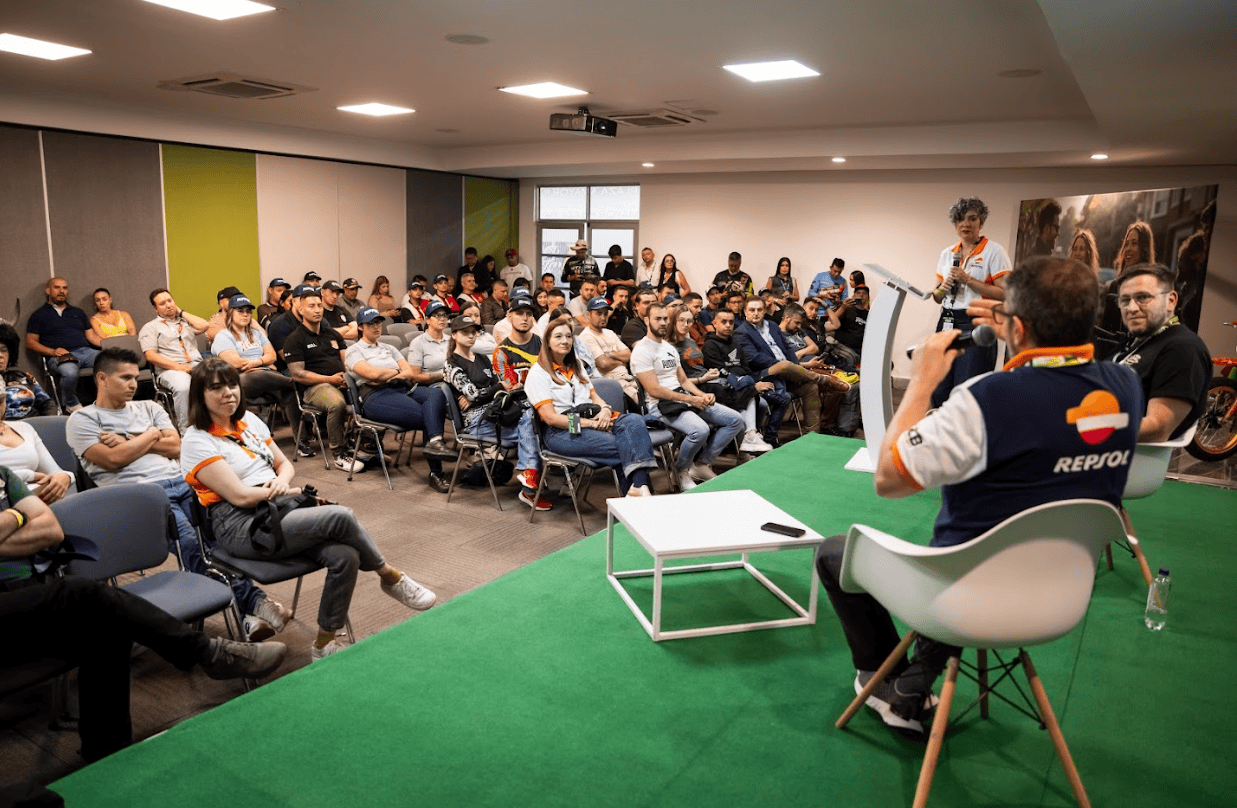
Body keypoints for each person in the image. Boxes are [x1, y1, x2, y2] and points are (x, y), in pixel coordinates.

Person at [815, 255, 1143, 738]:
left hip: (961, 600)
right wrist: (1021, 339)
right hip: (1060, 596)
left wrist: (923, 381)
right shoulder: (1127, 385)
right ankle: (914, 679)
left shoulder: (986, 398)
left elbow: (888, 479)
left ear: (1018, 325)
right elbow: (1049, 404)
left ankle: (884, 683)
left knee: (835, 552)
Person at [0, 470, 286, 763]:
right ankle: (205, 652)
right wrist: (19, 515)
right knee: (82, 593)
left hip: (30, 596)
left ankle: (106, 757)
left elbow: (51, 531)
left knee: (108, 622)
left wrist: (10, 525)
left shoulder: (4, 474)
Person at [181, 359, 435, 660]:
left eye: (232, 385)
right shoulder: (196, 439)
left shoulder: (248, 420)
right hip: (239, 525)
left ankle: (324, 643)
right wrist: (282, 491)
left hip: (275, 507)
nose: (228, 393)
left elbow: (284, 464)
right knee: (340, 516)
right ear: (200, 395)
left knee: (345, 555)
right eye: (216, 388)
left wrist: (282, 482)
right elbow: (239, 496)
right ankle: (389, 576)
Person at [68, 347, 291, 640]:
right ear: (101, 378)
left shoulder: (150, 407)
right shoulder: (83, 419)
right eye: (125, 378)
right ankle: (255, 603)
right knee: (191, 545)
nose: (134, 384)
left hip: (184, 482)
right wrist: (152, 435)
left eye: (135, 377)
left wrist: (130, 440)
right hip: (141, 496)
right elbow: (113, 460)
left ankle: (247, 618)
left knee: (221, 539)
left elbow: (177, 447)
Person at [527, 317, 658, 497]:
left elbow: (594, 396)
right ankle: (642, 494)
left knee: (634, 420)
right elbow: (550, 418)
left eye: (568, 336)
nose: (565, 341)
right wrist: (591, 424)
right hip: (561, 431)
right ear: (547, 342)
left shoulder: (577, 365)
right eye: (558, 336)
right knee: (625, 444)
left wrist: (605, 410)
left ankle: (638, 489)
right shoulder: (538, 372)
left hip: (590, 418)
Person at [631, 302, 744, 491]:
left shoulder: (668, 347)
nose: (663, 323)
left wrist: (702, 395)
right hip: (660, 405)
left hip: (682, 399)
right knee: (700, 430)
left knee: (735, 420)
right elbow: (654, 390)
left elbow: (683, 380)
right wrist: (692, 399)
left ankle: (701, 464)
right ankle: (680, 470)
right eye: (658, 319)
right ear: (646, 320)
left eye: (665, 318)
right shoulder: (641, 351)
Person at [444, 315, 548, 511]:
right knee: (533, 427)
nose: (471, 335)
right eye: (465, 332)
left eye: (473, 331)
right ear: (454, 335)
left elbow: (491, 391)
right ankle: (532, 483)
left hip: (496, 412)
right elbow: (477, 393)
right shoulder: (451, 364)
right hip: (476, 422)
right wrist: (494, 388)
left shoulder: (482, 358)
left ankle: (531, 480)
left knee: (532, 419)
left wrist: (487, 392)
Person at [345, 307, 453, 492]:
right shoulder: (353, 351)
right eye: (371, 324)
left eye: (378, 322)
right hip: (375, 396)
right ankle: (436, 473)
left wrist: (387, 375)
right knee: (429, 416)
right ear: (361, 327)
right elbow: (371, 374)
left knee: (437, 394)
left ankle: (435, 441)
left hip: (402, 389)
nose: (377, 327)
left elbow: (409, 371)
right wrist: (395, 372)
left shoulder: (389, 348)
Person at [1105, 264, 1211, 441]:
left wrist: (1083, 429)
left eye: (1143, 297)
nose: (1131, 308)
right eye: (1125, 300)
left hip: (1124, 453)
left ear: (1171, 301)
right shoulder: (1136, 341)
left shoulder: (1183, 348)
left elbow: (1158, 428)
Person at [929, 197, 1011, 407]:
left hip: (976, 321)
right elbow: (937, 296)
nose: (965, 224)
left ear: (981, 222)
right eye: (960, 219)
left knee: (966, 388)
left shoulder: (994, 251)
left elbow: (1005, 293)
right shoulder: (947, 254)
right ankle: (938, 425)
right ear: (955, 224)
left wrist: (968, 280)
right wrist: (943, 287)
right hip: (947, 322)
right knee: (939, 386)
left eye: (972, 219)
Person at [735, 296, 856, 435]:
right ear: (745, 311)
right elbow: (754, 358)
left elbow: (787, 349)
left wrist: (795, 366)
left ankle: (812, 434)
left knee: (810, 387)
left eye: (759, 310)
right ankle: (823, 379)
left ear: (764, 310)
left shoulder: (772, 326)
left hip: (788, 372)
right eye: (752, 310)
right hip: (765, 373)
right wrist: (784, 364)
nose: (756, 313)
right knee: (785, 365)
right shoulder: (741, 332)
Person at [281, 288, 363, 473]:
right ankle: (339, 455)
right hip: (314, 388)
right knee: (336, 404)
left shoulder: (333, 335)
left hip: (339, 382)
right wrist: (330, 380)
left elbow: (346, 363)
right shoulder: (294, 339)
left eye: (319, 305)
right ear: (300, 310)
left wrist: (347, 379)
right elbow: (298, 374)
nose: (317, 310)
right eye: (311, 306)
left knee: (370, 397)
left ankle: (366, 447)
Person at [672, 308, 771, 453]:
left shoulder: (691, 341)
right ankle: (749, 435)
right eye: (681, 320)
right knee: (747, 391)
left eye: (689, 321)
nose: (686, 324)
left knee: (750, 390)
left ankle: (748, 438)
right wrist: (702, 379)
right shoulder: (670, 347)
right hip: (699, 385)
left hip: (710, 380)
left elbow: (743, 366)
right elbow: (677, 380)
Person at [703, 308, 789, 448]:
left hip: (742, 385)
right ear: (714, 323)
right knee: (751, 396)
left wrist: (754, 381)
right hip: (724, 387)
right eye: (723, 322)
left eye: (731, 322)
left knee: (763, 404)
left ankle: (751, 438)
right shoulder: (710, 345)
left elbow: (746, 368)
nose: (728, 325)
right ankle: (748, 436)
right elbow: (720, 371)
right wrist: (751, 385)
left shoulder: (735, 342)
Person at [210, 293, 298, 428]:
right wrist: (263, 361)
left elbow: (272, 355)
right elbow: (235, 362)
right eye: (240, 311)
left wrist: (257, 362)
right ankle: (297, 382)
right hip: (239, 379)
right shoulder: (223, 336)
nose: (245, 315)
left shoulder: (257, 334)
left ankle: (302, 438)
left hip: (265, 376)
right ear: (231, 313)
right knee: (258, 375)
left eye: (248, 312)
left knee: (289, 393)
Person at [25, 277, 101, 412]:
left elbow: (92, 337)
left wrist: (111, 347)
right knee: (69, 371)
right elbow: (30, 342)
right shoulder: (39, 315)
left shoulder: (78, 312)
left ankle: (107, 400)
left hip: (86, 352)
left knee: (111, 361)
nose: (62, 291)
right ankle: (71, 404)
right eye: (57, 287)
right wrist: (52, 352)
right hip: (60, 356)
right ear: (48, 291)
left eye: (65, 288)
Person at [138, 288, 208, 431]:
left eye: (170, 301)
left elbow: (205, 325)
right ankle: (186, 432)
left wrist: (181, 312)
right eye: (162, 303)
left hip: (197, 365)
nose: (168, 305)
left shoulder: (186, 323)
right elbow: (150, 355)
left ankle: (214, 425)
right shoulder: (150, 327)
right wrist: (179, 367)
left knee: (221, 378)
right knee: (184, 387)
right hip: (170, 370)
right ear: (155, 308)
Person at [0, 403, 75, 503]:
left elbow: (55, 471)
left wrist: (66, 477)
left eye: (0, 401)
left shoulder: (24, 428)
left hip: (38, 500)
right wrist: (28, 475)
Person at [578, 296, 639, 406]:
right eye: (598, 313)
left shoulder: (609, 333)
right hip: (611, 381)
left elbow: (629, 355)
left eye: (605, 314)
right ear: (588, 315)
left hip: (627, 378)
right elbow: (603, 363)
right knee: (640, 401)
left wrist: (610, 354)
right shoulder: (586, 336)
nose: (603, 317)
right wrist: (622, 361)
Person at [1099, 221, 1157, 336]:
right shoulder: (1115, 286)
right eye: (1126, 244)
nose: (1128, 248)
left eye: (1134, 243)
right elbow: (1104, 329)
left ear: (1144, 249)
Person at [1, 323, 56, 419]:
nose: (0, 355)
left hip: (35, 424)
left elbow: (47, 403)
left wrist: (48, 421)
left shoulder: (24, 376)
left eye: (3, 350)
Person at [405, 300, 452, 387]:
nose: (442, 319)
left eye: (444, 315)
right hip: (430, 386)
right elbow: (415, 377)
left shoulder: (451, 340)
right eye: (437, 315)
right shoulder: (417, 343)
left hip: (453, 383)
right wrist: (443, 374)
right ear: (427, 320)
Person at [828, 284, 870, 356]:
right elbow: (830, 321)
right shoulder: (847, 309)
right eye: (858, 293)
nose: (861, 295)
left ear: (868, 298)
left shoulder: (869, 315)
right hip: (844, 348)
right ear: (854, 296)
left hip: (861, 350)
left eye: (864, 293)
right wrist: (842, 308)